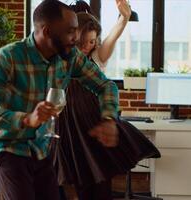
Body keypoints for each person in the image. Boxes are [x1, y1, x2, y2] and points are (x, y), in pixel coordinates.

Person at [0, 1, 119, 200]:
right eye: (70, 31)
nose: (76, 37)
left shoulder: (70, 57)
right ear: (48, 31)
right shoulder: (8, 57)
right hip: (7, 147)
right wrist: (26, 119)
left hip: (41, 147)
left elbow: (105, 85)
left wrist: (109, 118)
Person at [55, 1, 158, 199]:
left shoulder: (98, 57)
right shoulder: (62, 59)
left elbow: (113, 37)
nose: (86, 47)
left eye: (92, 42)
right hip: (70, 128)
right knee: (75, 181)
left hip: (96, 125)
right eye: (82, 42)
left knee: (100, 180)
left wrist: (124, 18)